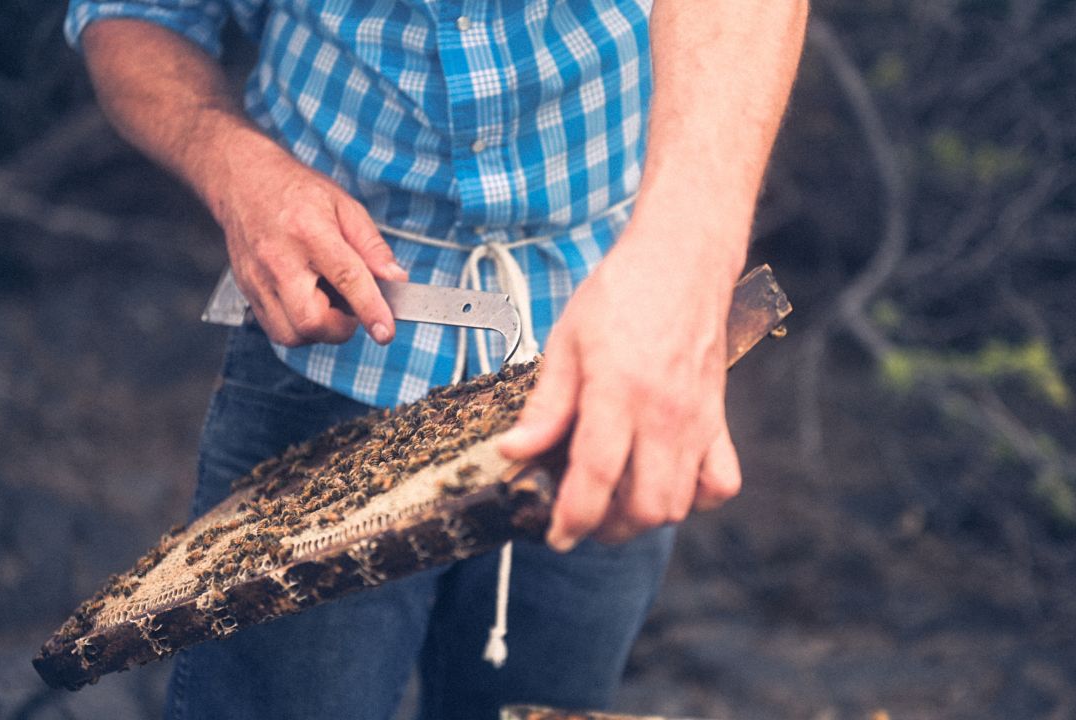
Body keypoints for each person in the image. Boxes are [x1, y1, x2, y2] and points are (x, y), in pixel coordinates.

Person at [65, 1, 807, 718]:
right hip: (325, 344)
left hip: (611, 354)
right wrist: (237, 168)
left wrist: (683, 262)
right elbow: (133, 14)